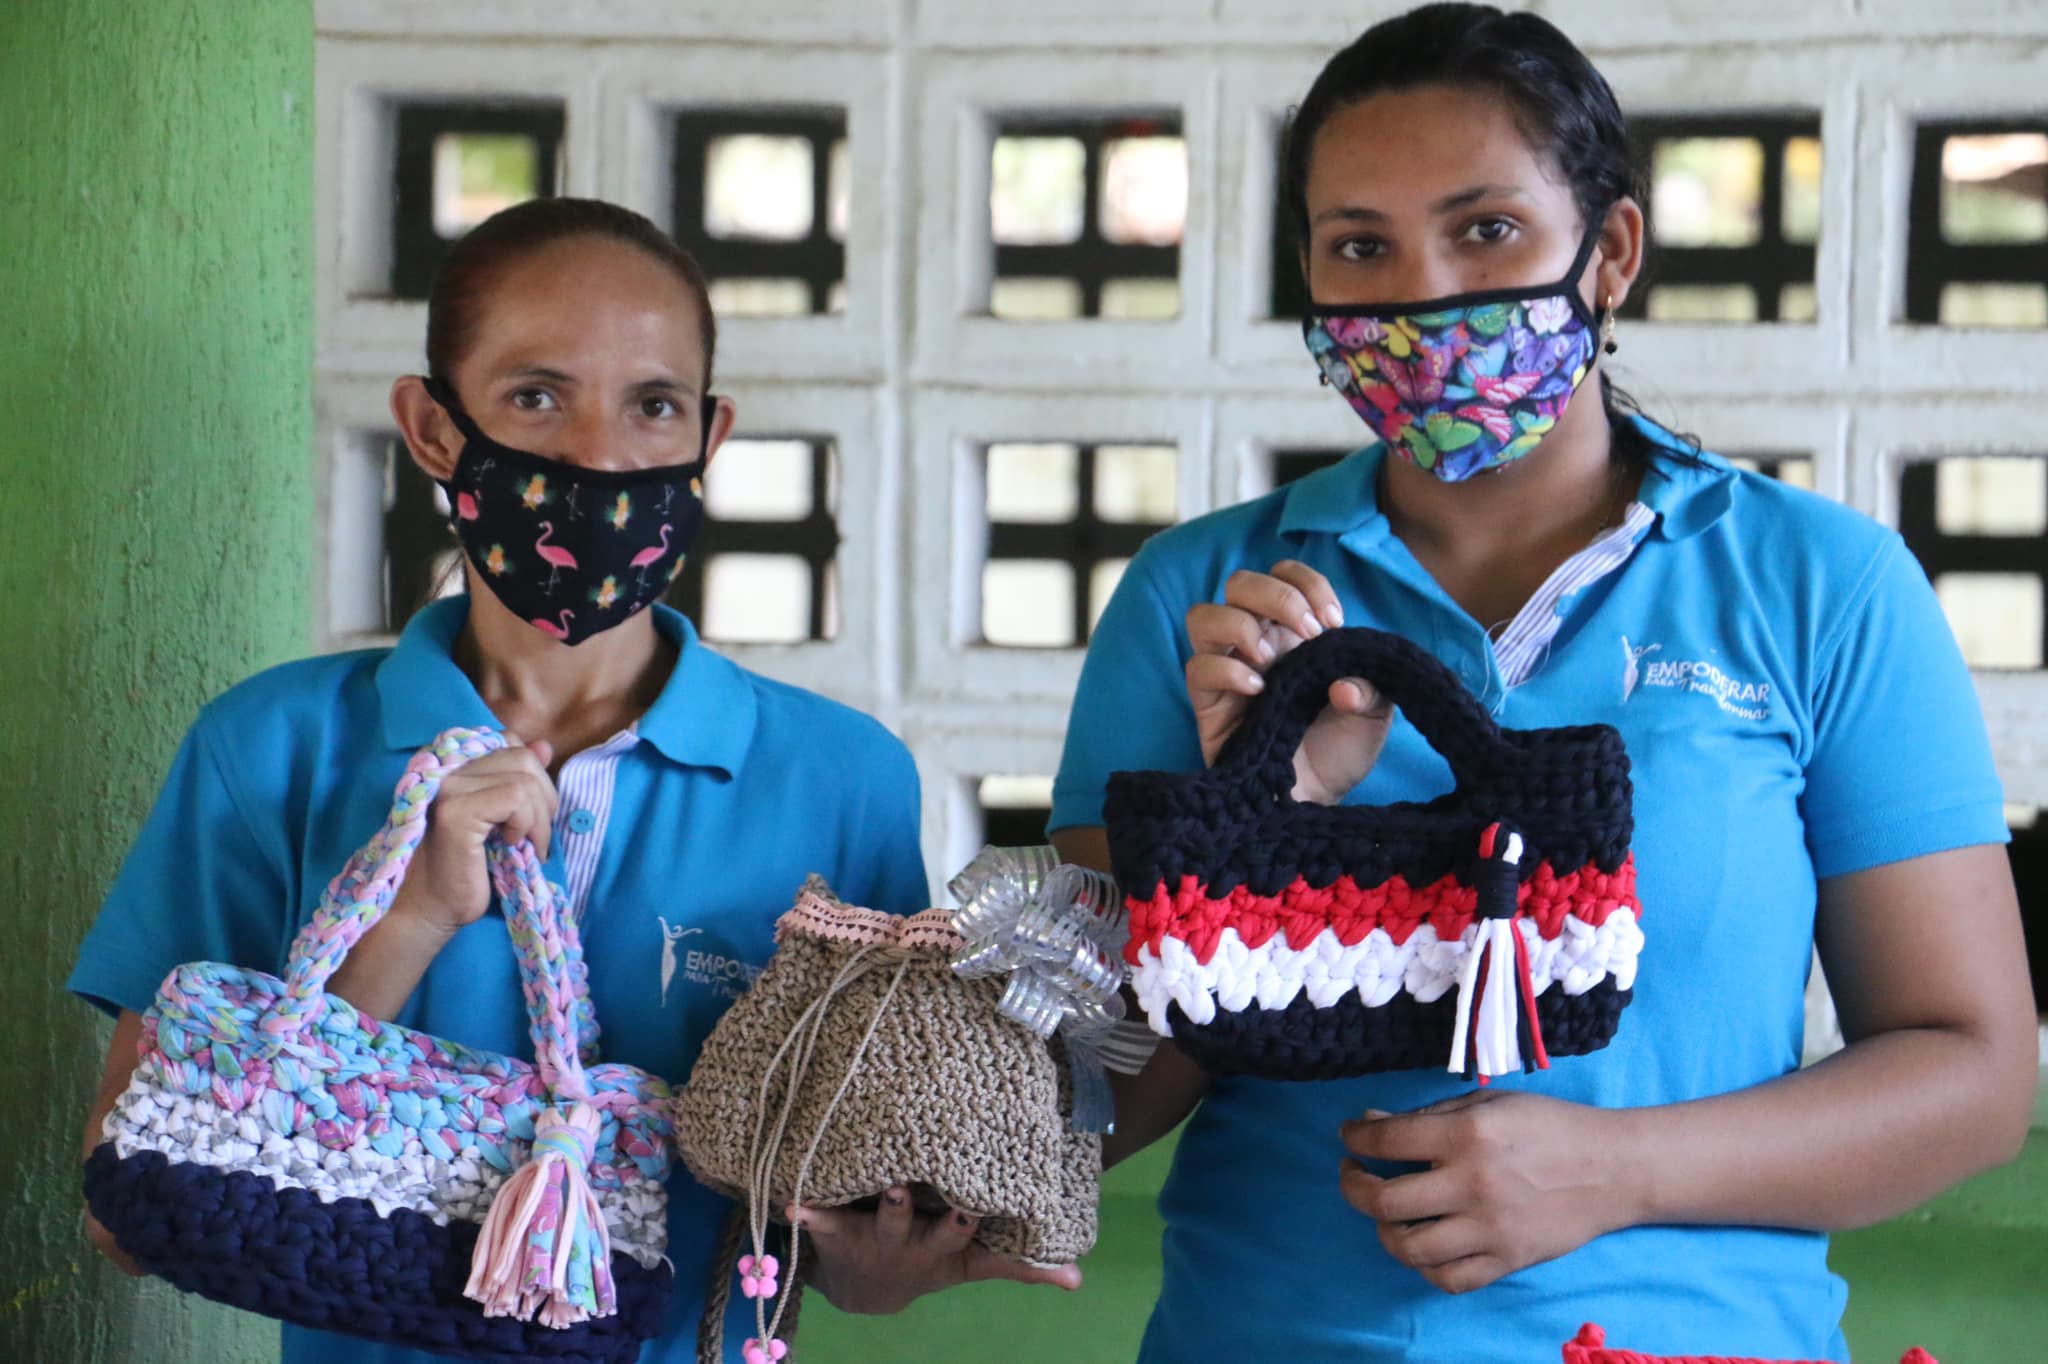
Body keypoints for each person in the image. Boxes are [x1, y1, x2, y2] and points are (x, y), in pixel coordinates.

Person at [1049, 6, 2038, 1361]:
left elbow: (1971, 1075)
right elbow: (1075, 1103)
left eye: (1486, 230)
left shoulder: (1823, 587)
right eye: (1360, 247)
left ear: (1612, 252)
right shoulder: (1205, 601)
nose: (1422, 293)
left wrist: (1622, 1169)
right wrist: (1250, 827)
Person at [72, 197, 1069, 1364]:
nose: (598, 454)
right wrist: (411, 918)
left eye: (653, 405)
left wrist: (876, 1261)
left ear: (708, 435)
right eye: (537, 396)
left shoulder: (840, 781)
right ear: (434, 431)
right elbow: (122, 1211)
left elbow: (838, 1220)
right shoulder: (269, 747)